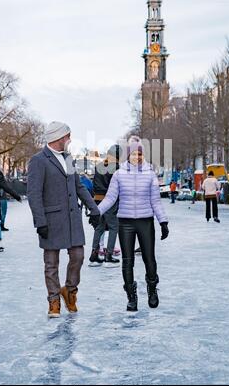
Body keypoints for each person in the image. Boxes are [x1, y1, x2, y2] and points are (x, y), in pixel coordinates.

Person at [27, 121, 100, 318]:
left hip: (72, 219)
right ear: (59, 137)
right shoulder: (38, 160)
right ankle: (53, 301)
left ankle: (70, 290)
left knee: (78, 256)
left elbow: (79, 187)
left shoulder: (68, 159)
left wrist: (94, 210)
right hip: (51, 220)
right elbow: (34, 193)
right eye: (68, 136)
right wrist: (40, 220)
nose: (70, 139)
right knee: (51, 263)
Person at [91, 139, 169, 311]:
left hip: (145, 221)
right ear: (128, 155)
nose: (137, 157)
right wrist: (97, 212)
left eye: (139, 154)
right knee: (128, 261)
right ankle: (131, 296)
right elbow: (110, 198)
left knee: (149, 258)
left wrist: (163, 221)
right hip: (125, 222)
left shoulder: (150, 174)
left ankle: (152, 289)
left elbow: (155, 200)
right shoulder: (119, 174)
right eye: (133, 154)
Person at [89, 144, 122, 267]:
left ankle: (94, 253)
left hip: (97, 200)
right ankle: (108, 254)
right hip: (109, 201)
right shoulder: (117, 167)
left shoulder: (99, 166)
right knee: (114, 227)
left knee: (99, 227)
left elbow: (94, 184)